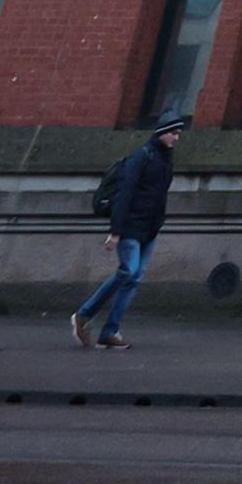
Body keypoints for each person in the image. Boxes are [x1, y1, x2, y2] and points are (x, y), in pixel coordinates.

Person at [72, 110, 187, 349]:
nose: (177, 138)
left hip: (149, 228)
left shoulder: (165, 161)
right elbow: (124, 195)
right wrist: (116, 231)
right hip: (130, 227)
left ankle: (110, 332)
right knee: (128, 271)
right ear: (162, 132)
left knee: (134, 278)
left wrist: (157, 223)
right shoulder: (141, 157)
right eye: (173, 133)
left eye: (178, 134)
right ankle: (84, 315)